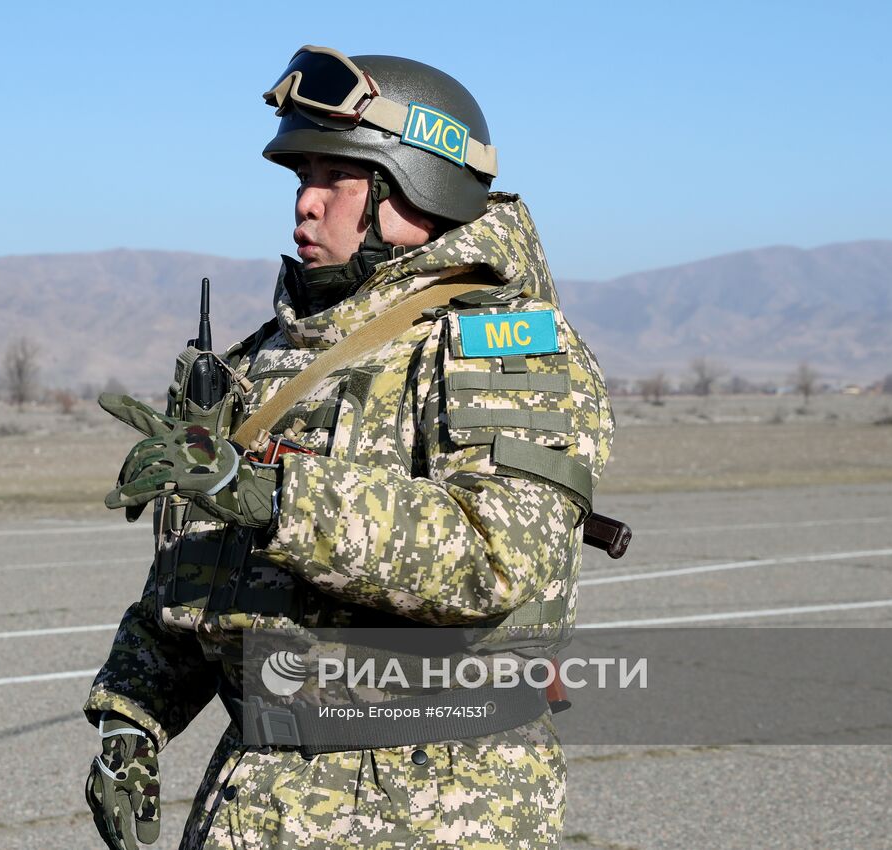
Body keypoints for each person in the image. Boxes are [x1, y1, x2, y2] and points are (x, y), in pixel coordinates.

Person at [83, 45, 614, 850]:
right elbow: (211, 577)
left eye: (334, 178)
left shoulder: (500, 347)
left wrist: (274, 495)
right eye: (301, 179)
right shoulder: (269, 357)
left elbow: (499, 558)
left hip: (433, 801)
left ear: (415, 183)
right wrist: (135, 715)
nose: (305, 203)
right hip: (255, 789)